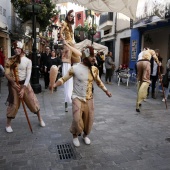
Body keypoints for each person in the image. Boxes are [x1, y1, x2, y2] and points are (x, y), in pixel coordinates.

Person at [49, 46, 112, 147]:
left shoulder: (95, 69)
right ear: (85, 57)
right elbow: (64, 79)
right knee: (77, 119)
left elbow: (99, 82)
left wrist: (106, 91)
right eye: (91, 56)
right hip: (77, 98)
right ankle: (75, 135)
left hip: (89, 99)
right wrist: (55, 85)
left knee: (89, 120)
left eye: (94, 56)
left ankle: (85, 135)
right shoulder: (75, 68)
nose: (94, 58)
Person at [4, 41, 45, 133]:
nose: (16, 50)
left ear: (22, 49)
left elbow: (28, 76)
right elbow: (6, 73)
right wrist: (12, 83)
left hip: (25, 84)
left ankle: (40, 119)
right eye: (14, 48)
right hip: (13, 84)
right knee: (13, 104)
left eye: (17, 48)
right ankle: (8, 124)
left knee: (32, 101)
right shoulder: (10, 60)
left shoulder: (28, 61)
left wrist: (23, 89)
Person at [59, 9, 81, 112]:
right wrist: (64, 41)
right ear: (67, 15)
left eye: (72, 16)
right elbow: (60, 32)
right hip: (68, 45)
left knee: (78, 59)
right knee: (67, 67)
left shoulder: (71, 26)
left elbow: (71, 36)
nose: (71, 17)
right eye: (70, 15)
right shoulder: (64, 23)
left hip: (72, 44)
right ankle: (67, 98)